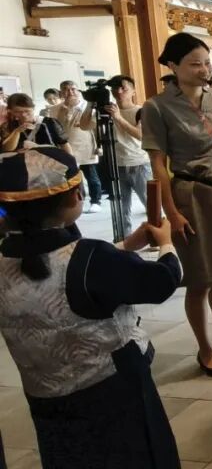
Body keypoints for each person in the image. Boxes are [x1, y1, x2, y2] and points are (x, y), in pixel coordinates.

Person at [0, 146, 182, 468]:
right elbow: (162, 281)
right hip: (112, 392)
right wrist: (166, 243)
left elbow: (58, 265)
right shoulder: (92, 258)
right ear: (74, 196)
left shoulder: (6, 261)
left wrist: (125, 246)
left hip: (45, 397)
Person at [141, 32, 212, 378]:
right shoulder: (157, 107)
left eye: (206, 62)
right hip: (191, 195)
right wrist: (172, 213)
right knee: (200, 277)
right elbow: (158, 164)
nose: (204, 69)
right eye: (195, 64)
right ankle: (205, 349)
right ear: (173, 66)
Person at [105, 75, 153, 237]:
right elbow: (84, 126)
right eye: (115, 88)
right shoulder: (107, 112)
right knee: (121, 206)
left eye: (123, 88)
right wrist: (90, 104)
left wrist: (118, 118)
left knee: (150, 204)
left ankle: (156, 237)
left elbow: (141, 135)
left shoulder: (141, 111)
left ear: (133, 91)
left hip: (139, 163)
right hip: (116, 164)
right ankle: (124, 237)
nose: (119, 92)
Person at [53, 80, 102, 213]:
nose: (70, 92)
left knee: (91, 176)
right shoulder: (55, 108)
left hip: (86, 146)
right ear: (61, 93)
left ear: (78, 91)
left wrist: (100, 145)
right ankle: (78, 202)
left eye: (73, 89)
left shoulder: (88, 106)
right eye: (66, 89)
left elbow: (97, 128)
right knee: (72, 178)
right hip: (65, 148)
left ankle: (96, 201)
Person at [1, 93, 70, 153]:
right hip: (20, 163)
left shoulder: (49, 122)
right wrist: (17, 132)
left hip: (49, 162)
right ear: (10, 111)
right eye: (18, 112)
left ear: (33, 108)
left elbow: (64, 144)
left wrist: (72, 162)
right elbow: (6, 150)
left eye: (27, 111)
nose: (23, 115)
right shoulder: (7, 126)